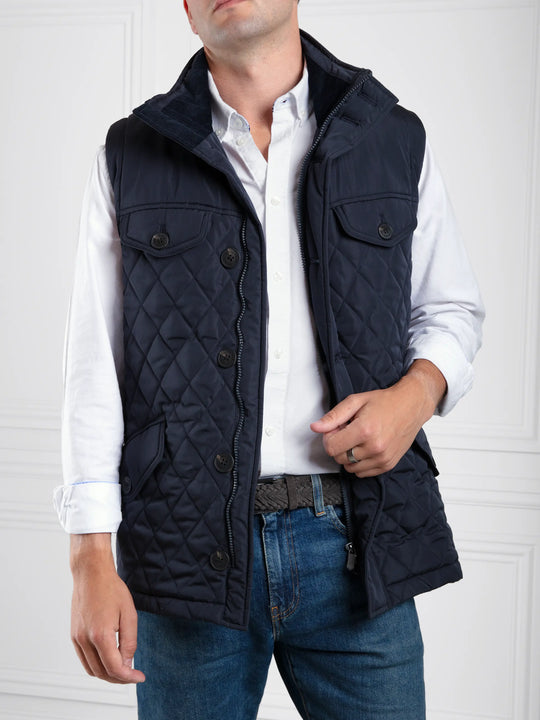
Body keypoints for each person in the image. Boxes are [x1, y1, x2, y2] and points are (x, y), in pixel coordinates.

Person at [54, 1, 484, 718]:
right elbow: (94, 363)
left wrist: (412, 399)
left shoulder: (392, 137)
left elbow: (452, 310)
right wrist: (89, 559)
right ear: (188, 12)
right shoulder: (131, 153)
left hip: (357, 546)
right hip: (184, 551)